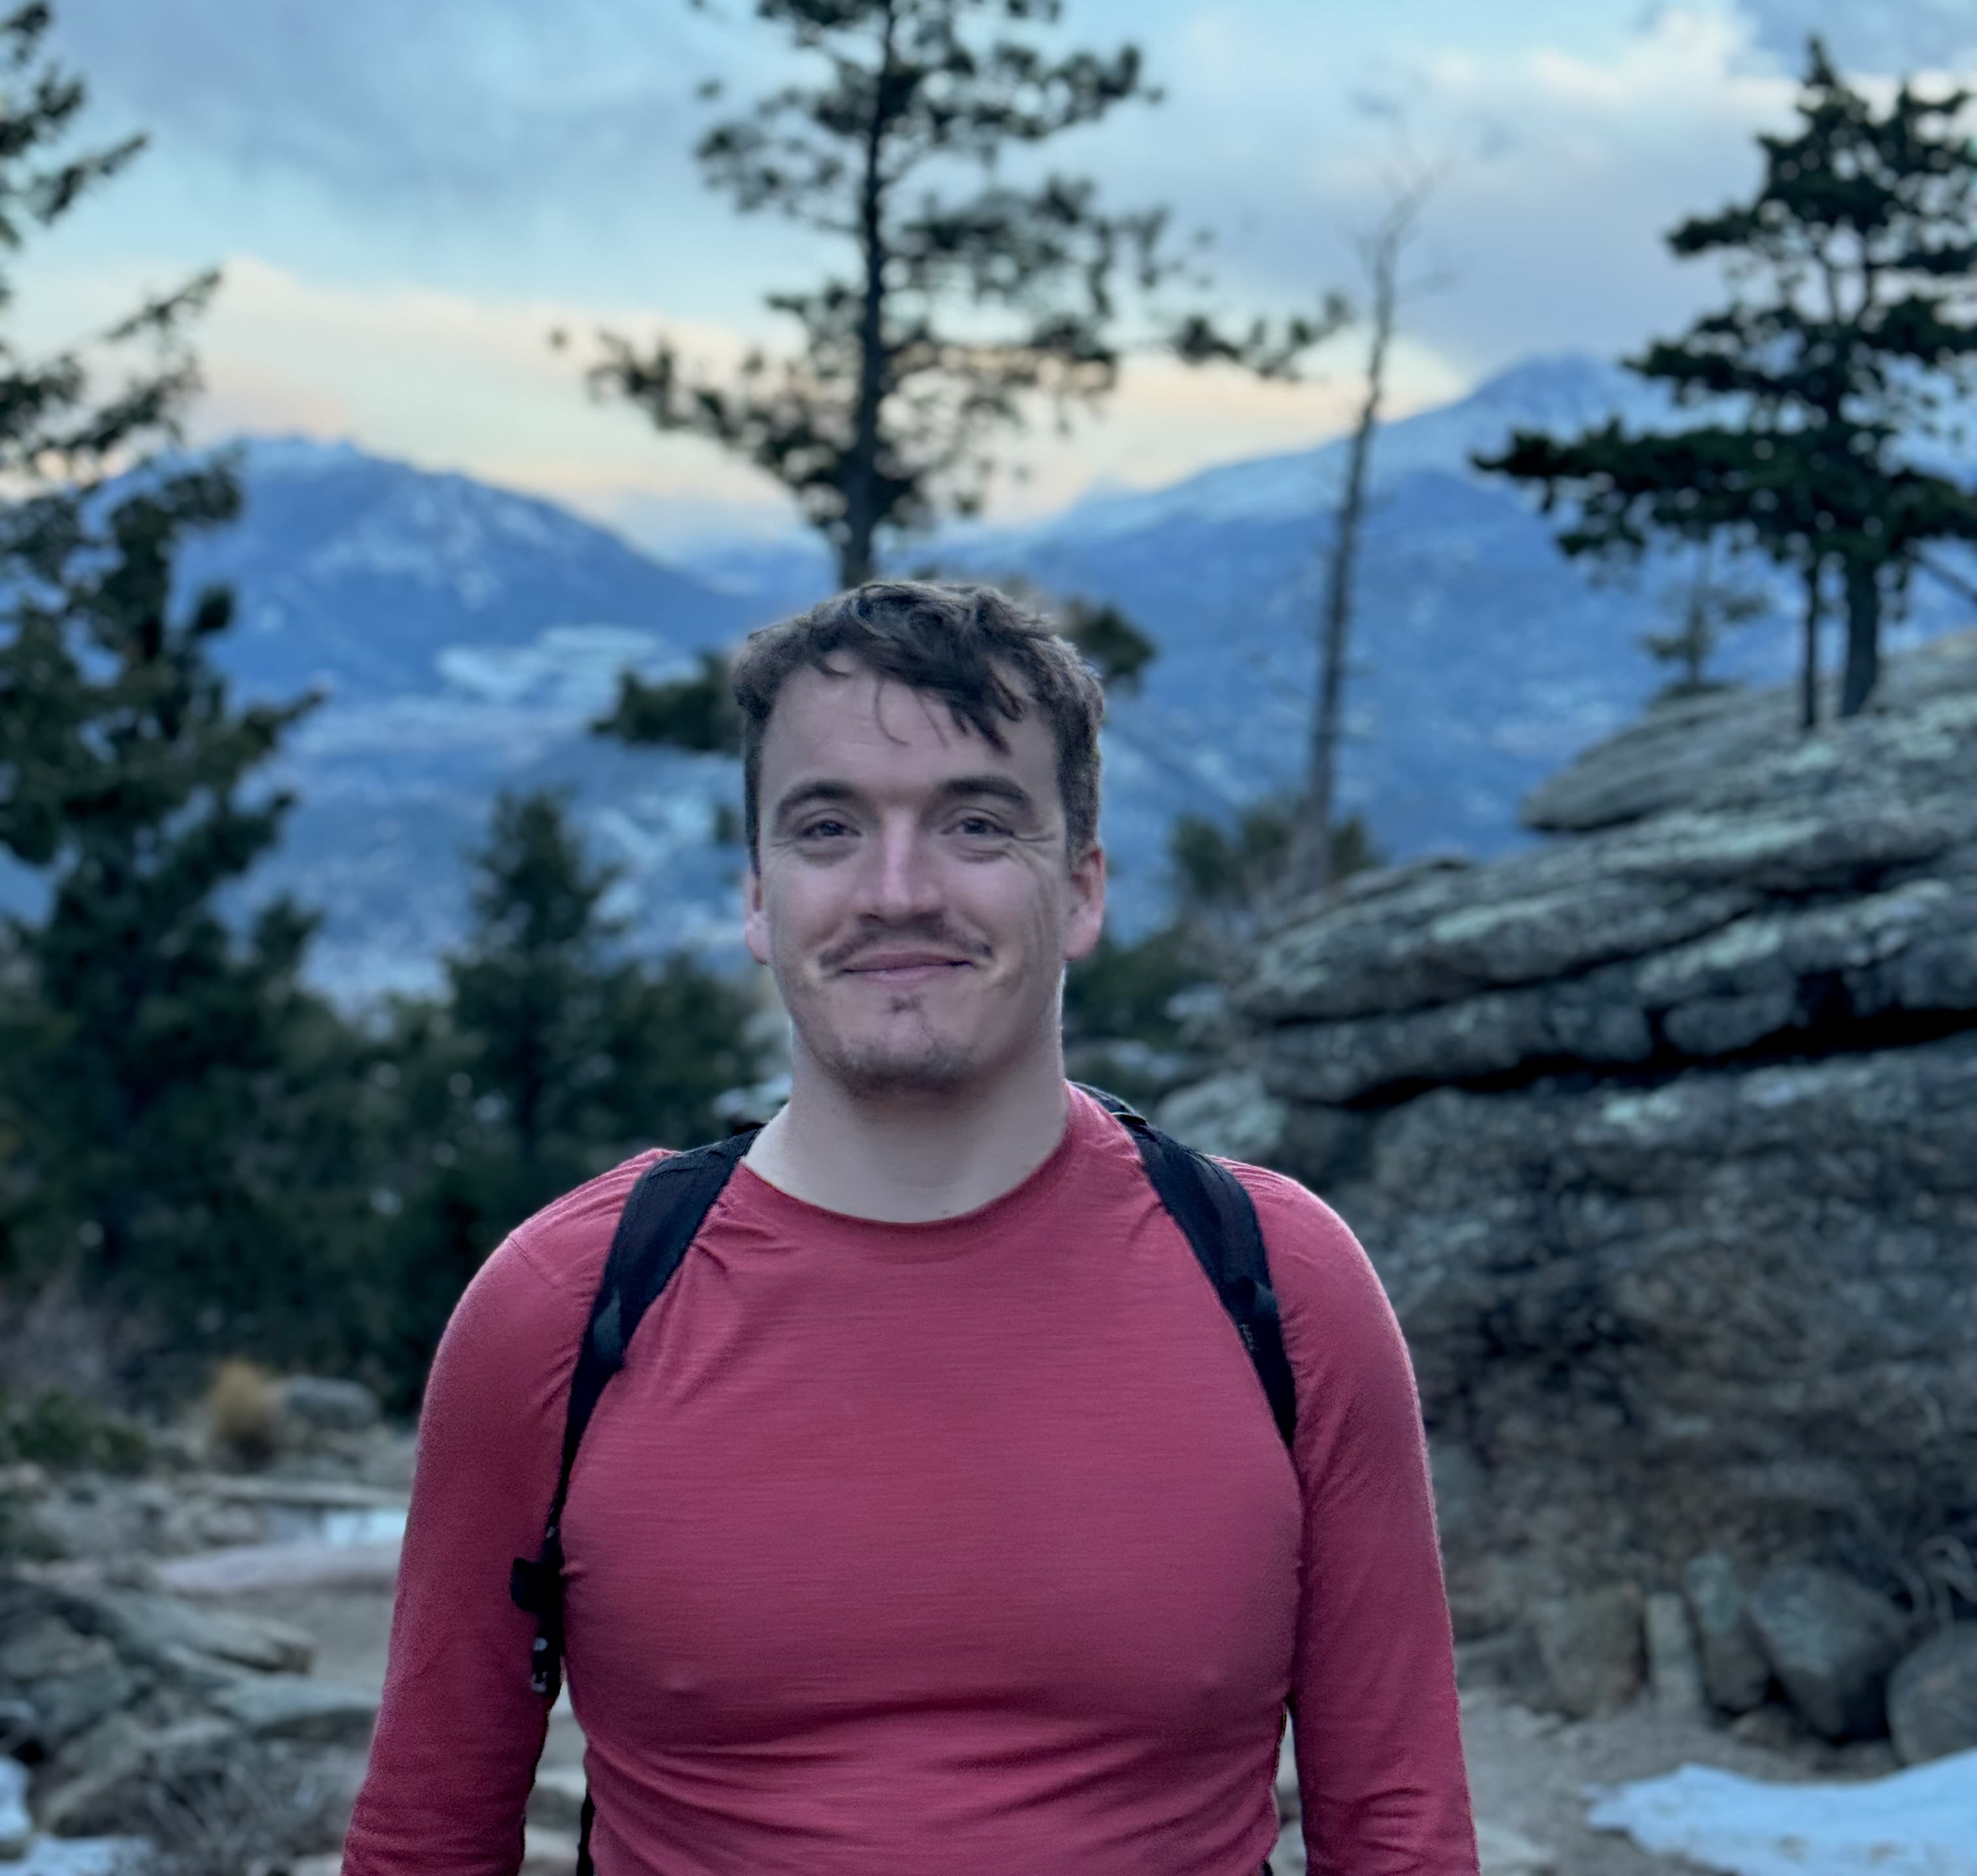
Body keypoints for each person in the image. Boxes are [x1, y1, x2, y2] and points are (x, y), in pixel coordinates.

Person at [342, 581, 1479, 1876]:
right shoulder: (563, 1306)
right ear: (760, 899)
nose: (897, 890)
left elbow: (1403, 1836)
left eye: (975, 825)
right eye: (829, 828)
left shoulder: (1283, 1288)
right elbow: (426, 1842)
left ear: (1085, 888)